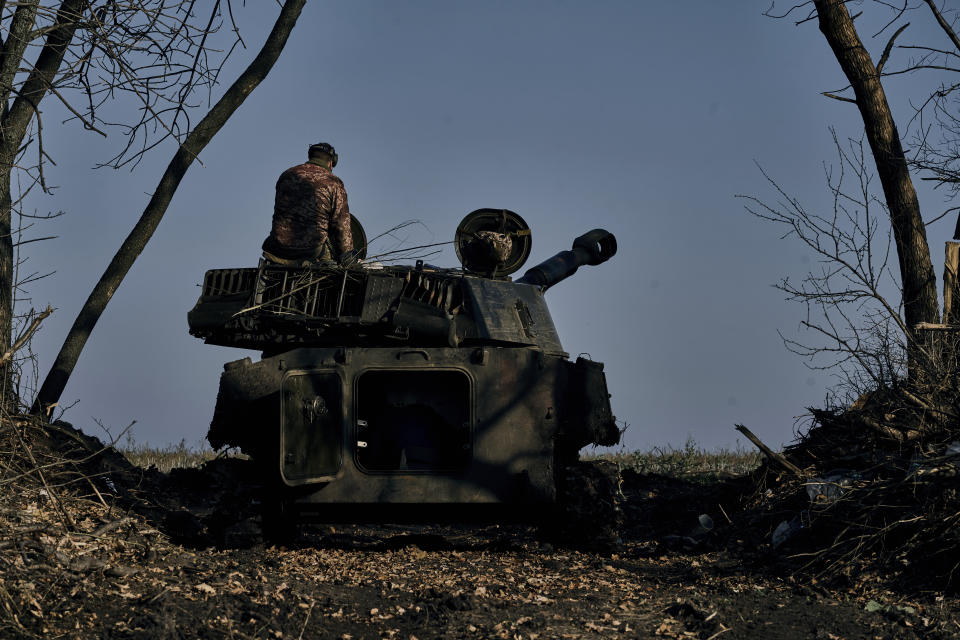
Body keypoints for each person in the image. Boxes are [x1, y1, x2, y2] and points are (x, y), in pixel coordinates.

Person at [261, 142, 354, 265]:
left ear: (311, 157)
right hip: (311, 252)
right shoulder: (334, 183)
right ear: (331, 163)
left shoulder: (286, 176)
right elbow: (341, 226)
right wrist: (349, 258)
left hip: (278, 249)